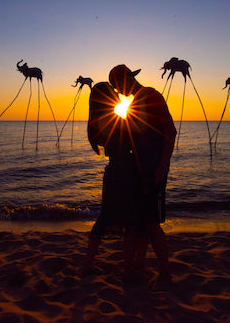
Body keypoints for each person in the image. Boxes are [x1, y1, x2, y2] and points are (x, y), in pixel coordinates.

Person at [84, 65, 176, 291]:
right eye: (114, 88)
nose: (118, 91)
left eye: (117, 86)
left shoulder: (151, 95)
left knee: (151, 223)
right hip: (137, 172)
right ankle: (136, 265)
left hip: (151, 171)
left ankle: (164, 273)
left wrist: (162, 166)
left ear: (125, 80)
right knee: (139, 222)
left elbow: (170, 131)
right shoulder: (133, 103)